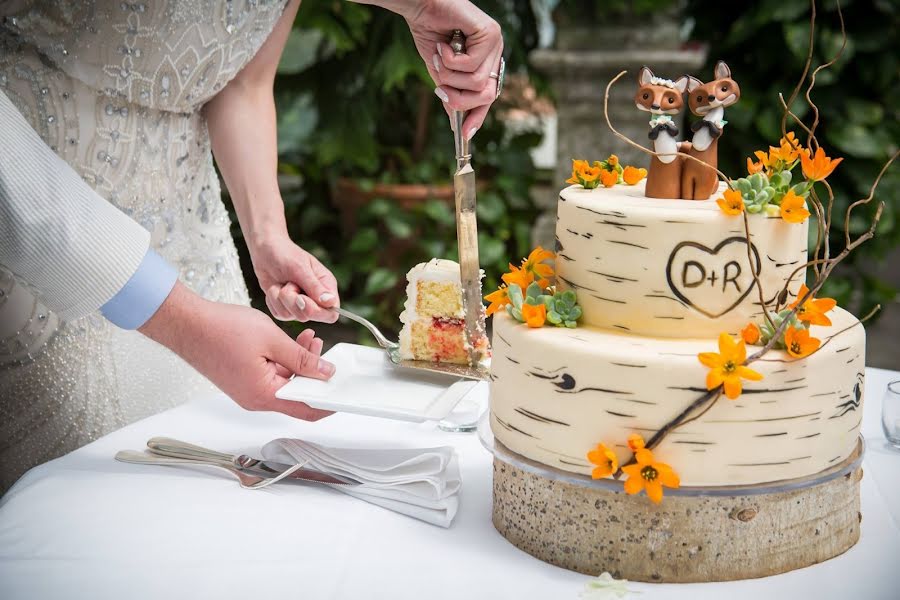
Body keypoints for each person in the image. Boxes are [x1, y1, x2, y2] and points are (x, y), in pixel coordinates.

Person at [0, 0, 504, 492]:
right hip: (41, 249)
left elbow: (240, 82)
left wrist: (268, 237)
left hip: (198, 256)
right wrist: (185, 321)